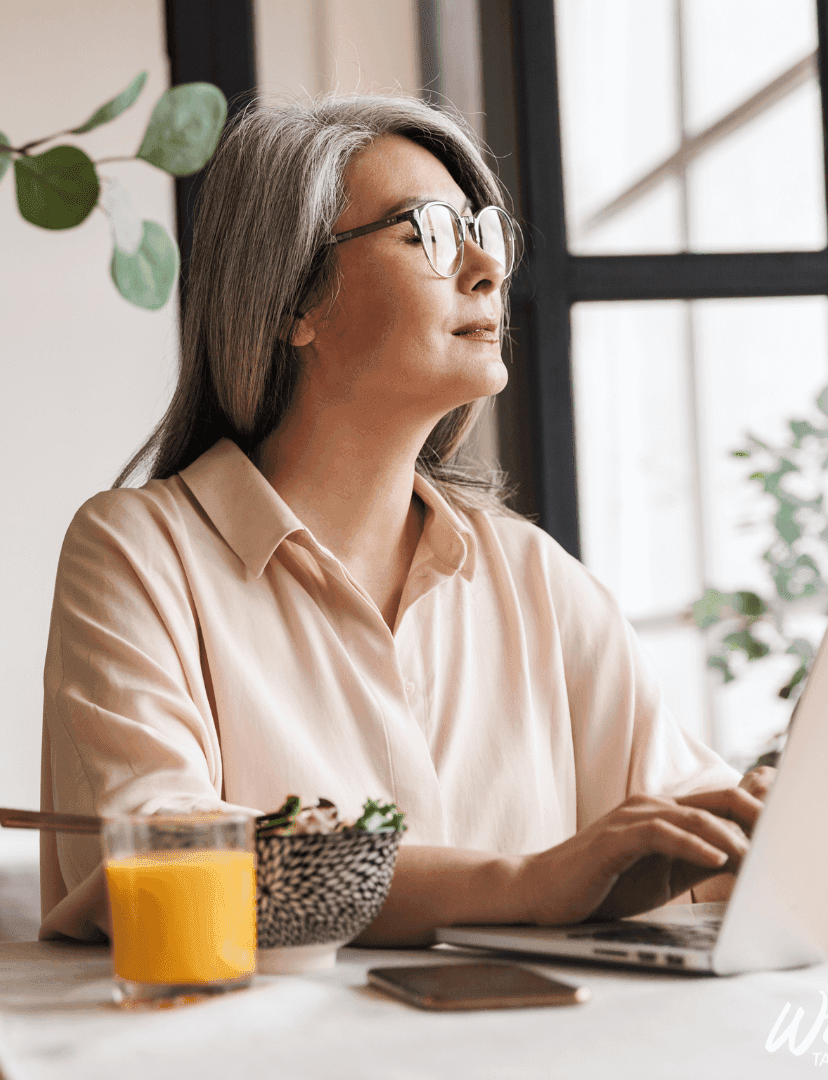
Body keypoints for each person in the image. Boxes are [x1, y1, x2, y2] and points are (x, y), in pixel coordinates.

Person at [39, 93, 774, 945]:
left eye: (483, 231)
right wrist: (524, 883)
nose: (487, 270)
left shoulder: (533, 574)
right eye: (426, 229)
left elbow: (684, 831)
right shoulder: (136, 551)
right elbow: (160, 860)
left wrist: (765, 833)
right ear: (293, 303)